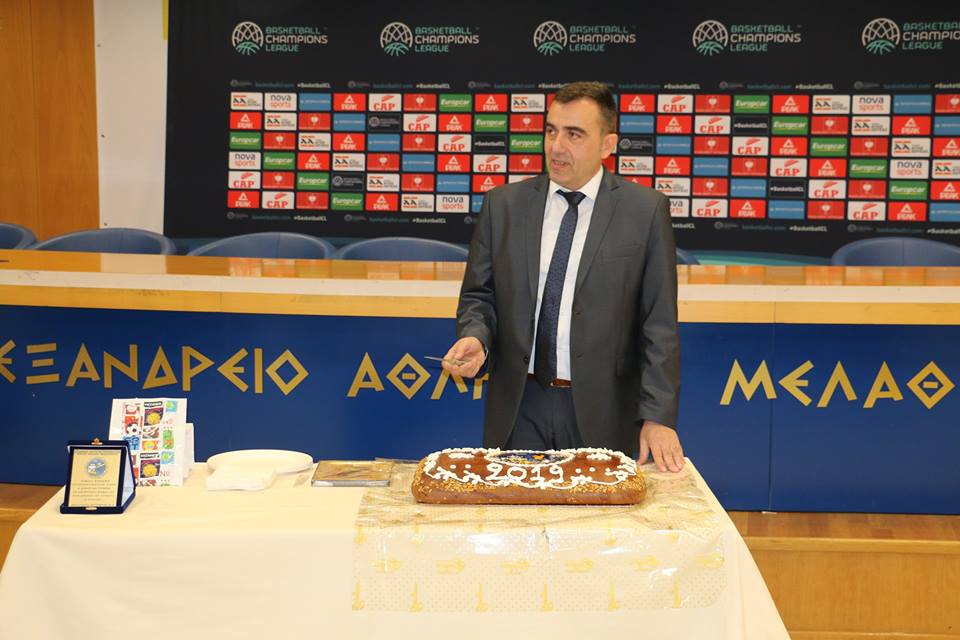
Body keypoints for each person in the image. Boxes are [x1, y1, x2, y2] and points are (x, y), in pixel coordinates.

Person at [442, 81, 684, 473]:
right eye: (551, 131)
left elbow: (659, 324)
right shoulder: (504, 205)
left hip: (604, 410)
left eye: (574, 134)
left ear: (607, 144)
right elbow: (479, 297)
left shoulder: (644, 211)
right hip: (519, 406)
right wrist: (477, 338)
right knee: (516, 510)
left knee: (598, 514)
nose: (556, 146)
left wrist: (657, 416)